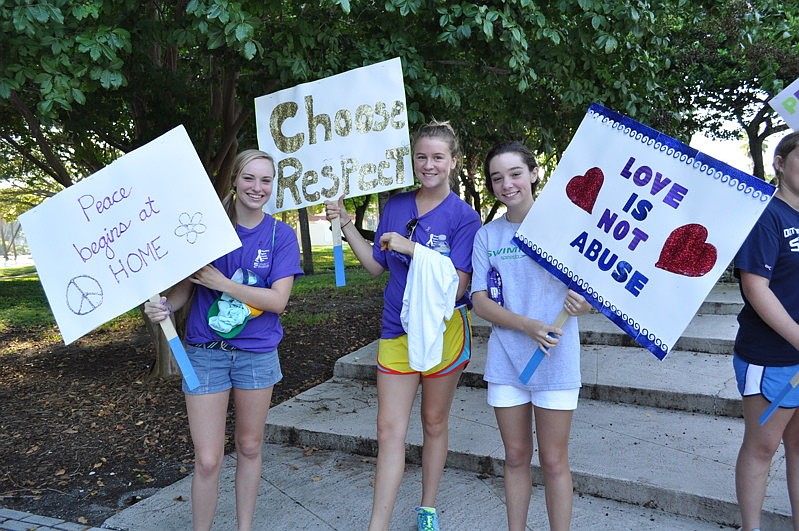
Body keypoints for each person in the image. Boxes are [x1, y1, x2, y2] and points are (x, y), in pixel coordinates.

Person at [325, 121, 481, 531]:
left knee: (433, 422)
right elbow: (376, 265)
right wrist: (345, 224)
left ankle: (427, 507)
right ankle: (378, 524)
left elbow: (459, 284)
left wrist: (413, 247)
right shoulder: (395, 206)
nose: (428, 165)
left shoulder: (465, 218)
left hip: (443, 332)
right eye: (421, 157)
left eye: (437, 157)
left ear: (453, 162)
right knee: (388, 429)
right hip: (396, 329)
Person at [143, 149, 303, 531]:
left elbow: (278, 301)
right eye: (249, 178)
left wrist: (223, 284)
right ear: (233, 179)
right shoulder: (206, 230)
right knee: (208, 459)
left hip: (257, 355)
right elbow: (182, 292)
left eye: (266, 180)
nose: (257, 187)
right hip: (203, 355)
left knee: (249, 447)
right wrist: (163, 306)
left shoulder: (282, 234)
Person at [470, 142, 591, 531]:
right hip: (507, 362)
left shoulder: (566, 226)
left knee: (555, 461)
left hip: (558, 360)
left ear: (535, 173)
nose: (507, 184)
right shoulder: (488, 236)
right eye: (497, 177)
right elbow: (479, 302)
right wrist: (527, 326)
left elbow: (595, 291)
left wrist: (584, 304)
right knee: (516, 457)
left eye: (515, 173)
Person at [733, 131, 799, 531]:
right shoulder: (766, 216)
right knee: (762, 447)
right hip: (769, 356)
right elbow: (755, 287)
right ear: (780, 162)